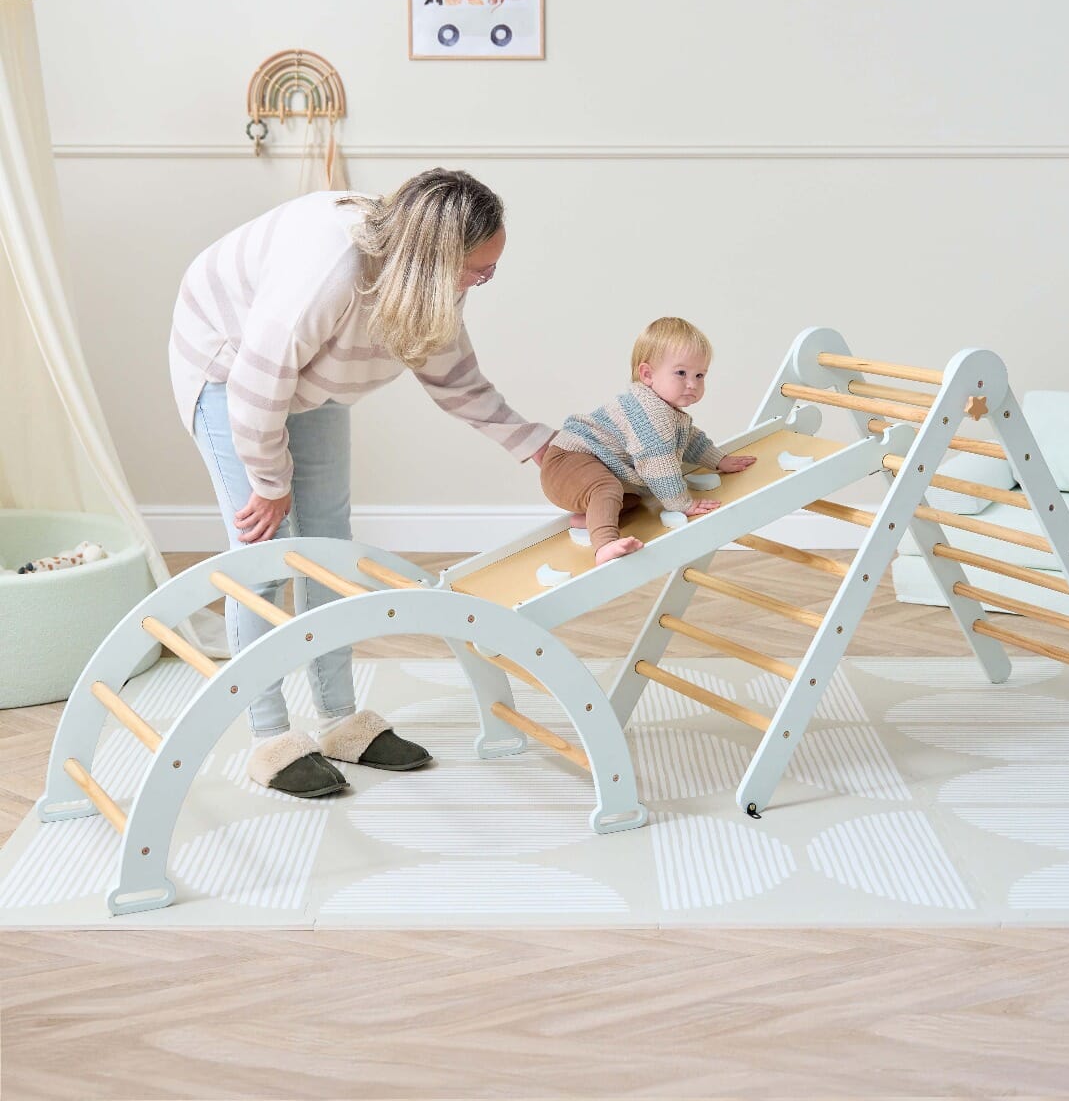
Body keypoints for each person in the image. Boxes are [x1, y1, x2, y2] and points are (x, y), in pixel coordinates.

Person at [168, 170, 553, 798]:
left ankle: (340, 721)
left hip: (309, 378)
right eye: (476, 271)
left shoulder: (425, 283)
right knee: (264, 557)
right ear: (437, 258)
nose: (480, 283)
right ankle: (270, 740)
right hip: (230, 365)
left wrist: (537, 446)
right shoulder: (327, 274)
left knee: (328, 544)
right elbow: (255, 388)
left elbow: (458, 382)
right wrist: (269, 483)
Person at [540, 317, 756, 563]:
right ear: (647, 374)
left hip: (581, 466)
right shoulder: (652, 413)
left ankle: (592, 517)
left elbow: (690, 441)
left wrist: (720, 460)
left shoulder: (665, 409)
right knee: (607, 488)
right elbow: (658, 465)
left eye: (700, 375)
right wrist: (681, 504)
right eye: (681, 373)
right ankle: (604, 545)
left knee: (631, 499)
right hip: (569, 460)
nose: (692, 384)